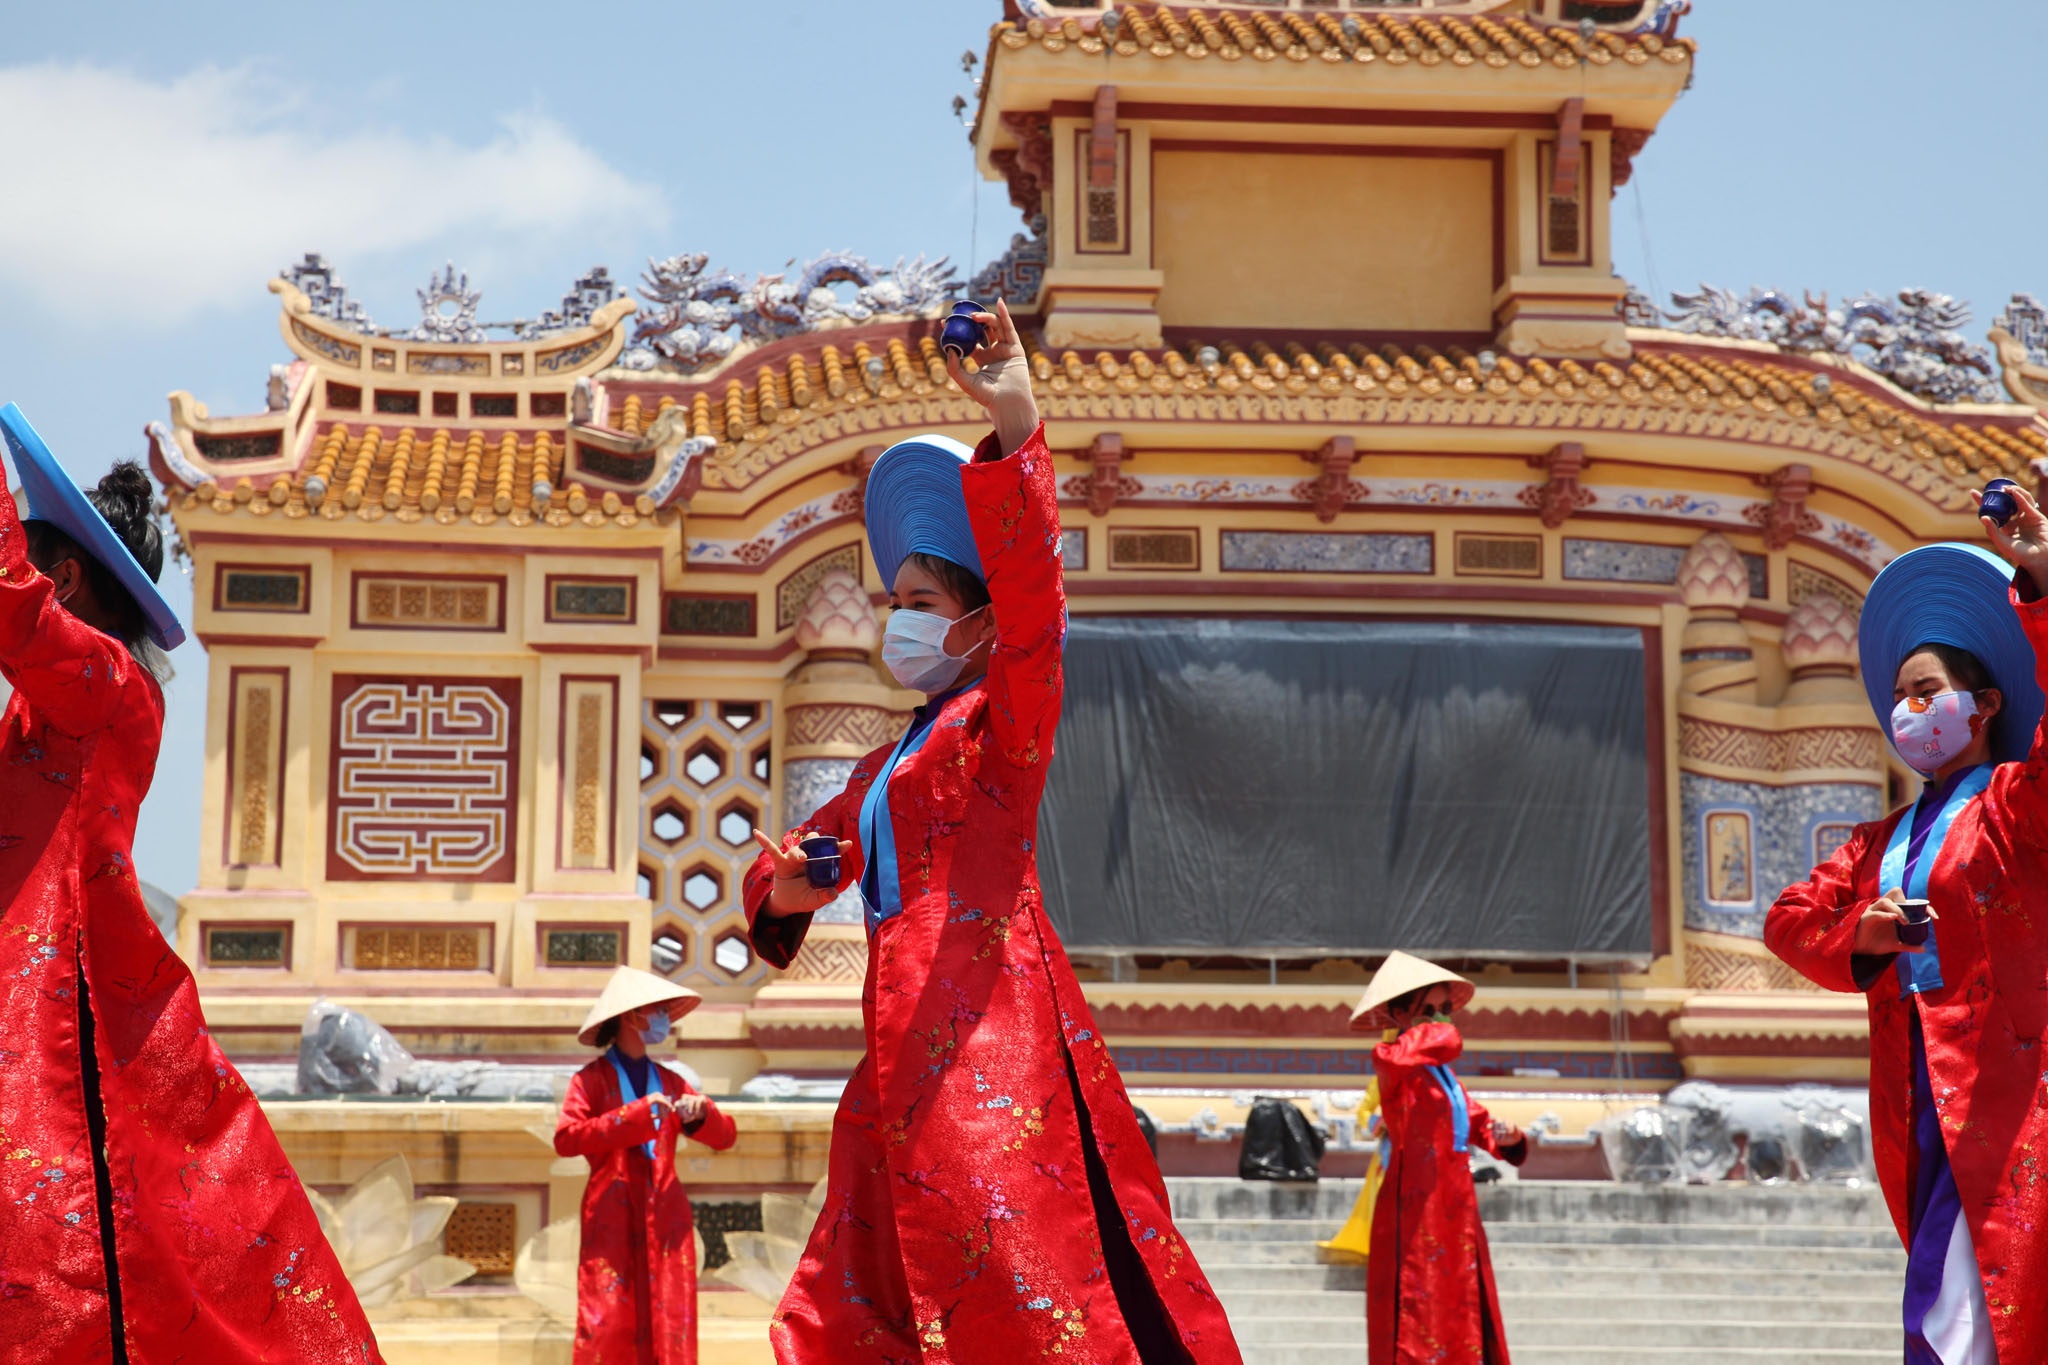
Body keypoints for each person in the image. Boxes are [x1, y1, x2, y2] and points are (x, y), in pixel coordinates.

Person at [742, 301, 1241, 1364]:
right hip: (894, 1051)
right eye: (895, 598)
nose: (900, 618)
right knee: (852, 1292)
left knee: (1011, 1273)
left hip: (985, 1031)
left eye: (920, 598)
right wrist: (786, 887)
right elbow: (793, 861)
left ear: (977, 620)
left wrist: (1014, 415)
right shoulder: (884, 763)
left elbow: (1038, 609)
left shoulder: (1000, 724)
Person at [0, 406, 383, 1362]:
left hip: (67, 1003)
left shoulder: (111, 680)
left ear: (66, 580)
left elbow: (14, 609)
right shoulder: (57, 699)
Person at [1766, 485, 2048, 1365]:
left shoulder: (2015, 805)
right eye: (1898, 697)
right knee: (1953, 1285)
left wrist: (2041, 579)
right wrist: (1863, 929)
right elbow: (1787, 919)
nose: (1907, 711)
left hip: (2009, 1082)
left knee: (1963, 1294)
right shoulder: (1874, 840)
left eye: (1927, 691)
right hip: (1913, 1085)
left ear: (1985, 704)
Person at [554, 965, 738, 1365]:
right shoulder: (590, 1081)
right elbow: (566, 1138)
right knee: (607, 1319)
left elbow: (725, 1137)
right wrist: (633, 1116)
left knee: (670, 1315)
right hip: (611, 1214)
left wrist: (702, 1113)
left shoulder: (671, 1081)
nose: (664, 1019)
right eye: (658, 1010)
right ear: (631, 1016)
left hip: (666, 1215)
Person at [1353, 951, 1526, 1365]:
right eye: (1428, 1009)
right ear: (1400, 1014)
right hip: (1417, 1203)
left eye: (1445, 1008)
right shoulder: (1391, 1061)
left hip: (1456, 1203)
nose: (1441, 1019)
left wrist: (1509, 1137)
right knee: (1423, 1297)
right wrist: (1436, 1027)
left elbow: (1480, 1125)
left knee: (1461, 1299)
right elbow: (1446, 1041)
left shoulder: (1445, 1077)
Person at [1317, 1029, 1391, 1265]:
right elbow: (1364, 1111)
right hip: (1391, 1149)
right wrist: (1381, 1123)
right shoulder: (1384, 1078)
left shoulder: (1430, 1077)